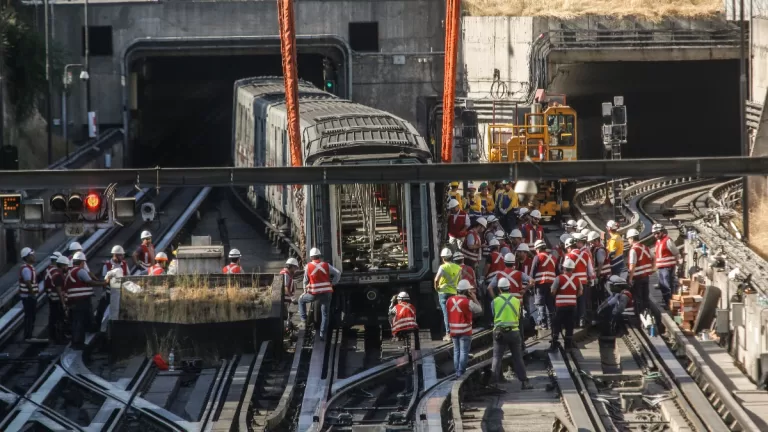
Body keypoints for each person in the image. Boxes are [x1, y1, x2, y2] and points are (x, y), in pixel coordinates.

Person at [490, 276, 533, 389]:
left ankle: (494, 383)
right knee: (518, 357)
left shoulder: (495, 301)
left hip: (499, 332)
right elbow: (519, 316)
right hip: (514, 332)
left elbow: (493, 314)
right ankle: (524, 382)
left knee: (497, 357)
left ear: (499, 289)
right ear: (509, 288)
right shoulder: (517, 301)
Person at [65, 251, 108, 349]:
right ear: (81, 262)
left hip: (73, 301)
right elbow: (90, 281)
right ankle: (78, 343)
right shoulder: (80, 271)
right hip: (81, 301)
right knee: (80, 322)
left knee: (76, 321)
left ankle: (76, 342)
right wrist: (104, 283)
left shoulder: (70, 271)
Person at [299, 248, 341, 340]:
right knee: (325, 314)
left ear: (311, 257)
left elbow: (305, 280)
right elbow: (338, 273)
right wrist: (333, 283)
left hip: (314, 293)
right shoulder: (326, 265)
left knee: (301, 300)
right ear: (319, 256)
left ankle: (303, 319)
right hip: (327, 293)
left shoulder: (308, 266)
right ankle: (322, 334)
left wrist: (304, 291)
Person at [448, 280, 482, 378]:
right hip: (465, 331)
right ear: (466, 291)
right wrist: (475, 298)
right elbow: (479, 309)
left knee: (456, 351)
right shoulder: (468, 302)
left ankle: (456, 371)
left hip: (453, 330)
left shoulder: (449, 300)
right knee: (463, 352)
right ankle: (460, 372)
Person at [551, 258, 582, 350]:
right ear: (573, 269)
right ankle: (568, 346)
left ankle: (555, 342)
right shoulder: (577, 279)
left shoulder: (558, 278)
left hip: (560, 306)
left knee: (556, 324)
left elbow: (553, 291)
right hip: (572, 306)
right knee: (569, 325)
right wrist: (572, 297)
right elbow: (580, 292)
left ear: (563, 268)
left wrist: (556, 296)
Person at [435, 248, 461, 341]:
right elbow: (460, 280)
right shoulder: (458, 267)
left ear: (443, 258)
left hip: (443, 293)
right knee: (453, 313)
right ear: (451, 257)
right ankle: (455, 331)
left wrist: (436, 288)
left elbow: (436, 279)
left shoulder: (443, 267)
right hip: (454, 292)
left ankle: (448, 334)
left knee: (446, 313)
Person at [530, 240, 556, 330]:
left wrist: (530, 284)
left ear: (538, 249)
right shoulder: (553, 258)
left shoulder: (537, 257)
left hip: (540, 284)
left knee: (540, 304)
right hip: (552, 284)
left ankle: (543, 324)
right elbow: (558, 272)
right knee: (550, 304)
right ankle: (551, 324)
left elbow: (532, 272)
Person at [652, 223, 681, 307]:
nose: (656, 235)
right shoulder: (658, 242)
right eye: (654, 234)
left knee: (667, 285)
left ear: (662, 232)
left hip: (667, 267)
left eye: (657, 233)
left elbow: (675, 252)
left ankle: (669, 303)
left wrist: (678, 262)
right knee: (662, 285)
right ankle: (666, 301)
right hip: (660, 268)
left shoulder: (667, 240)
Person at [626, 228, 653, 316]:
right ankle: (648, 314)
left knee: (638, 298)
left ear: (632, 238)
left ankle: (640, 316)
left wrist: (630, 279)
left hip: (637, 278)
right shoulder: (646, 247)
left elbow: (632, 266)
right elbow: (654, 258)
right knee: (646, 297)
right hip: (646, 277)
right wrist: (653, 269)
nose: (628, 241)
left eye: (628, 239)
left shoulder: (633, 250)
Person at [45, 256, 69, 344]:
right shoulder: (58, 275)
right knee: (59, 319)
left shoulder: (56, 273)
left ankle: (57, 336)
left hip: (55, 300)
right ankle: (59, 337)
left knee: (56, 318)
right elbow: (59, 291)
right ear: (62, 265)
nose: (67, 268)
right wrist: (63, 303)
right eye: (66, 266)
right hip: (57, 301)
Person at [18, 247, 38, 341]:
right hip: (28, 296)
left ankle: (29, 334)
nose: (34, 256)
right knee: (30, 316)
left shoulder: (30, 267)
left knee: (30, 315)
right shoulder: (26, 269)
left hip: (29, 296)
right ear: (27, 257)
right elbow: (28, 282)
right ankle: (28, 335)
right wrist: (33, 293)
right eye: (31, 255)